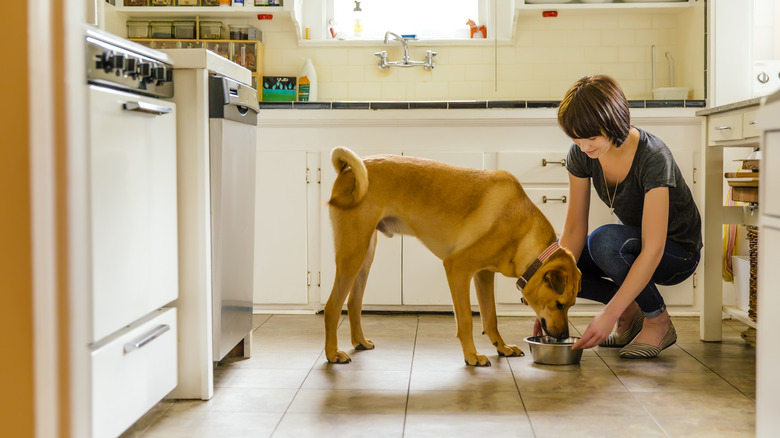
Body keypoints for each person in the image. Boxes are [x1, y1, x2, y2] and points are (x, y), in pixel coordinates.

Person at [538, 75, 702, 359]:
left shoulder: (653, 156)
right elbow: (575, 229)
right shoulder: (581, 154)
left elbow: (654, 249)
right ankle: (630, 311)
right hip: (629, 246)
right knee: (553, 260)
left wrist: (606, 314)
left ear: (614, 123)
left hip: (677, 254)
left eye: (591, 138)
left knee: (604, 241)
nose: (584, 147)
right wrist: (548, 299)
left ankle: (657, 320)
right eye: (576, 139)